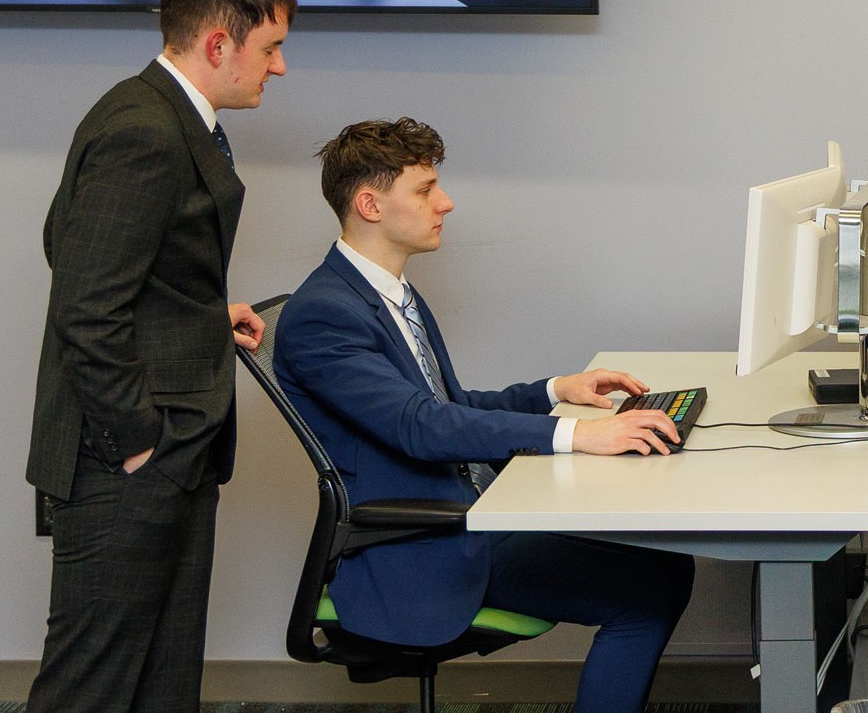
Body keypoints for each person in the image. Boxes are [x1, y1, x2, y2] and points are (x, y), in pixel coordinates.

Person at [276, 118, 695, 713]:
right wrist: (581, 436)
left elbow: (447, 408)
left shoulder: (388, 293)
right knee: (650, 592)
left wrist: (556, 390)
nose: (444, 203)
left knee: (665, 565)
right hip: (423, 547)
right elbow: (421, 428)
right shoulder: (325, 314)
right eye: (424, 190)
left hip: (471, 516)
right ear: (369, 204)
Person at [25, 0, 295, 713]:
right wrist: (139, 437)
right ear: (218, 45)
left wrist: (205, 315)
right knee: (92, 689)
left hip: (170, 451)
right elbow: (83, 302)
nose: (279, 69)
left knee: (161, 685)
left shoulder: (155, 114)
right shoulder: (144, 129)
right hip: (128, 460)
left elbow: (79, 250)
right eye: (269, 48)